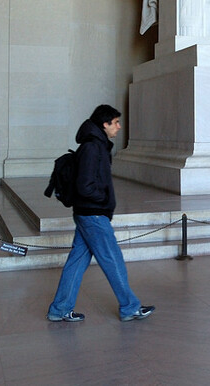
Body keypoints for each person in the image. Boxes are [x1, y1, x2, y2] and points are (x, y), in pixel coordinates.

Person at [47, 105, 155, 323]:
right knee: (112, 259)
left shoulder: (96, 145)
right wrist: (104, 200)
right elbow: (85, 186)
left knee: (77, 262)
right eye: (115, 122)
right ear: (104, 124)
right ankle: (129, 307)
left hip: (88, 214)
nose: (119, 126)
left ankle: (59, 309)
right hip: (93, 215)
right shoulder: (93, 147)